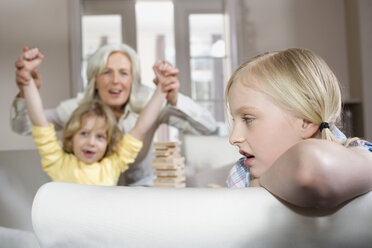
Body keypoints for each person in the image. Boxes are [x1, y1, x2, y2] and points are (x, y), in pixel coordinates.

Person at [11, 44, 217, 186]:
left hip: (138, 191)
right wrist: (26, 84)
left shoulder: (113, 162)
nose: (115, 80)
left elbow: (142, 128)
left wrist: (166, 93)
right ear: (95, 79)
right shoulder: (73, 117)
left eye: (123, 73)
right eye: (106, 72)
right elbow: (36, 124)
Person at [225, 48, 372, 208]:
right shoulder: (241, 173)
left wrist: (259, 184)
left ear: (306, 121)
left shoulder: (359, 153)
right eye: (235, 120)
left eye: (248, 119)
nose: (234, 138)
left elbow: (312, 171)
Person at [21, 47, 169, 185]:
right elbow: (40, 122)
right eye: (84, 133)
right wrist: (27, 79)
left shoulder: (112, 166)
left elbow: (140, 129)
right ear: (71, 138)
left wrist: (162, 89)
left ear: (108, 143)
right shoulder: (58, 163)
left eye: (100, 137)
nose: (91, 142)